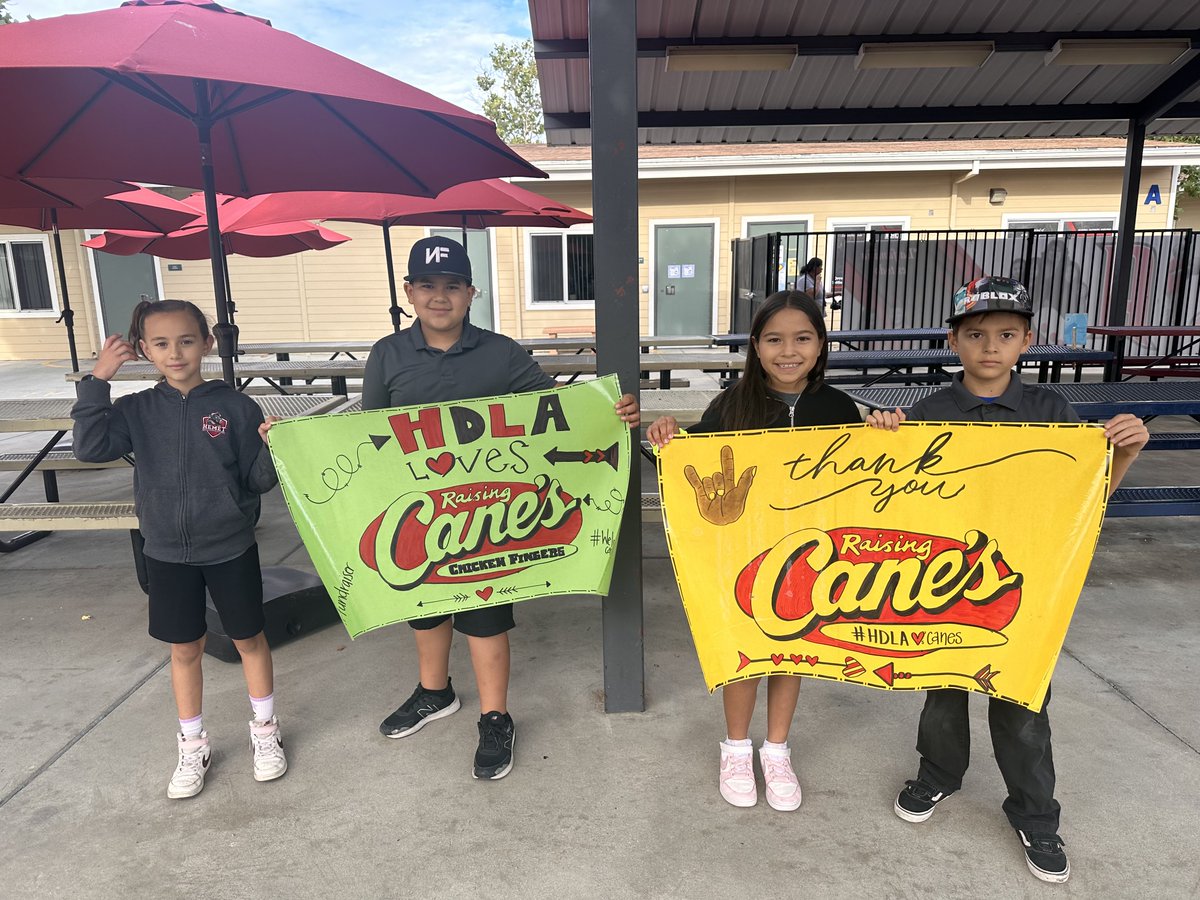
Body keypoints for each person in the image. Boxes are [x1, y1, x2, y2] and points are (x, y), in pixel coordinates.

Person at [866, 275, 1148, 884]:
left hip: (1025, 584)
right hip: (940, 580)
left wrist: (1122, 452)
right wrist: (884, 441)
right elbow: (896, 503)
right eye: (975, 335)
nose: (989, 347)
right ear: (953, 341)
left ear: (1027, 340)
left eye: (1005, 334)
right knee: (942, 685)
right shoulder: (930, 413)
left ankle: (1036, 815)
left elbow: (1085, 503)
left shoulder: (1051, 411)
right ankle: (938, 775)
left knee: (1022, 700)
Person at [363, 235, 640, 781]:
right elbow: (363, 433)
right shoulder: (387, 354)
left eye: (452, 286)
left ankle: (495, 715)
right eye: (427, 286)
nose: (439, 297)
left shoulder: (501, 351)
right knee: (423, 603)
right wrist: (293, 439)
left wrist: (610, 411)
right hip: (419, 508)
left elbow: (555, 407)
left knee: (485, 616)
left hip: (488, 514)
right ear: (409, 292)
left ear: (471, 292)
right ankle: (433, 692)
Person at [647, 290, 870, 811]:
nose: (787, 350)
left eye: (802, 338)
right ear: (755, 345)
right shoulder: (731, 404)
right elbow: (695, 458)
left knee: (791, 652)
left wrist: (885, 433)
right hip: (743, 556)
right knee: (744, 654)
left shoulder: (838, 407)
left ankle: (776, 749)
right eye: (774, 339)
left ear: (820, 346)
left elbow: (870, 478)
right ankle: (736, 747)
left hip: (813, 559)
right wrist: (668, 433)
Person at [72, 298, 287, 800]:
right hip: (166, 551)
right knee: (184, 648)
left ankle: (265, 732)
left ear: (207, 343)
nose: (176, 353)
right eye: (162, 344)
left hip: (230, 544)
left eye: (187, 341)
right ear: (144, 350)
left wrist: (275, 448)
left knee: (249, 639)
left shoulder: (236, 406)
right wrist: (97, 379)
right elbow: (89, 447)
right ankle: (193, 745)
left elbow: (256, 482)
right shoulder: (136, 410)